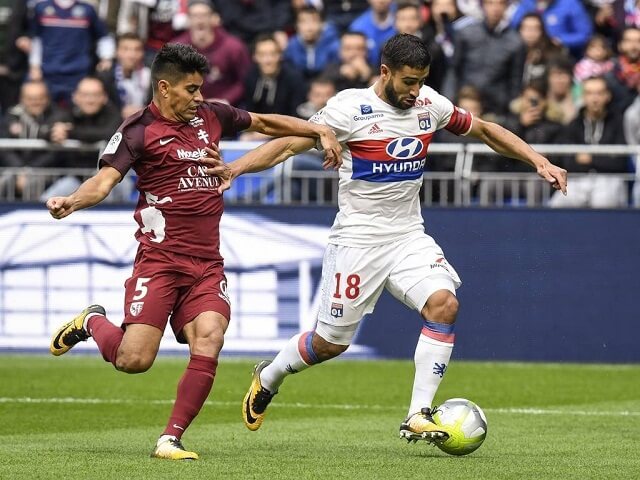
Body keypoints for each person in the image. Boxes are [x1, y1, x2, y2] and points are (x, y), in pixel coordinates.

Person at [204, 34, 567, 443]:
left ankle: (417, 414)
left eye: (422, 81)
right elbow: (289, 144)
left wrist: (539, 160)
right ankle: (268, 376)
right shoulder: (349, 108)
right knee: (329, 344)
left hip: (408, 235)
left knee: (444, 305)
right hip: (357, 242)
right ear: (385, 72)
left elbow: (483, 130)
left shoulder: (430, 104)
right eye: (409, 81)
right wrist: (236, 169)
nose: (416, 91)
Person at [46, 43, 340, 461]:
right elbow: (104, 181)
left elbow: (264, 122)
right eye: (191, 89)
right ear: (164, 88)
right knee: (133, 360)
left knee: (211, 336)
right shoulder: (137, 131)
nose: (199, 97)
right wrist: (71, 201)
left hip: (206, 263)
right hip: (160, 261)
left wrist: (318, 129)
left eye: (201, 89)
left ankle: (171, 438)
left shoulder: (210, 116)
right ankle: (92, 321)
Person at [549, 75, 628, 208]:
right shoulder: (573, 125)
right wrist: (603, 159)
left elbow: (619, 163)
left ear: (607, 96)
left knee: (603, 201)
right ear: (583, 97)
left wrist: (590, 159)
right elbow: (568, 162)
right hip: (578, 179)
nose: (595, 98)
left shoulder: (618, 122)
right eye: (590, 93)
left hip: (608, 179)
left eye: (599, 93)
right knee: (557, 204)